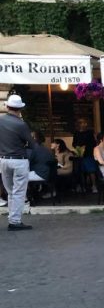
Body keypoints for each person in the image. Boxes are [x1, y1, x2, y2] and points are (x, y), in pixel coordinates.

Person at [0, 94, 35, 230]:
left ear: (7, 106)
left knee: (10, 192)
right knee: (19, 192)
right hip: (19, 160)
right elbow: (32, 144)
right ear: (20, 109)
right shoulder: (21, 124)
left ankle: (12, 218)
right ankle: (14, 221)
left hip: (3, 160)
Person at [28, 129, 57, 198]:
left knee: (17, 176)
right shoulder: (44, 148)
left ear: (34, 138)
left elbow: (27, 161)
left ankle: (25, 198)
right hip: (48, 174)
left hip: (40, 174)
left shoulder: (33, 148)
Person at [72, 117, 99, 193]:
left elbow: (94, 143)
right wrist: (78, 147)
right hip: (80, 154)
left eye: (85, 122)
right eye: (82, 123)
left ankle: (94, 186)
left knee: (91, 170)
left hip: (89, 154)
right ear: (79, 124)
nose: (84, 124)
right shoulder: (76, 133)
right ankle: (81, 186)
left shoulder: (90, 132)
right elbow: (74, 143)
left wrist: (86, 147)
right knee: (79, 171)